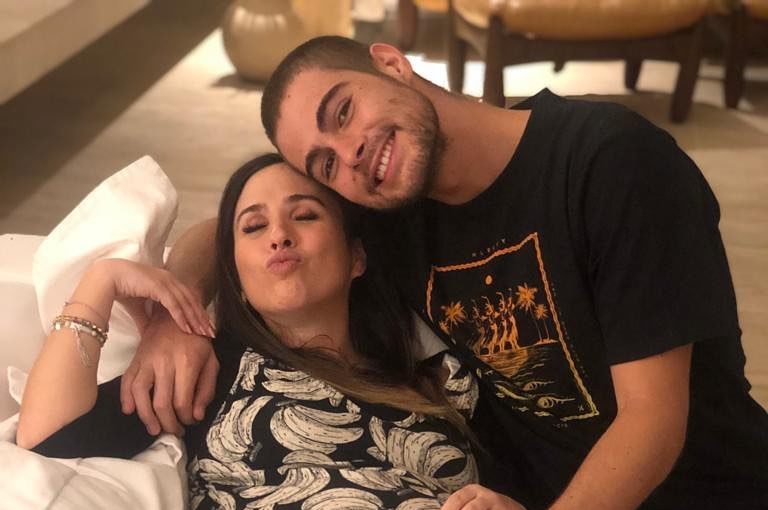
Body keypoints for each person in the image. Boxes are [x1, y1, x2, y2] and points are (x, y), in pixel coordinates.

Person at [121, 38, 768, 509]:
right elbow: (226, 226)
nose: (351, 154)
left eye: (342, 112)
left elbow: (653, 424)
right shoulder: (388, 205)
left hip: (705, 489)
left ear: (391, 62)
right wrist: (175, 317)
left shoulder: (611, 163)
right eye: (325, 165)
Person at [17, 154, 524, 510]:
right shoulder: (210, 374)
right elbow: (51, 438)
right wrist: (100, 283)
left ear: (356, 256)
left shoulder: (444, 381)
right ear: (235, 274)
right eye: (254, 227)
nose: (279, 234)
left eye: (304, 215)